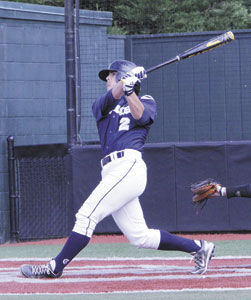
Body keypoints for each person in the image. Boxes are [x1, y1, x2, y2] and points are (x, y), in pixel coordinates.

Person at [20, 59, 215, 278]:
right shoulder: (103, 106)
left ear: (122, 75)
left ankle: (54, 267)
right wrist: (124, 83)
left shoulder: (146, 100)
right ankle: (200, 247)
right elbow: (112, 96)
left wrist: (130, 90)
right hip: (111, 171)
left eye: (111, 75)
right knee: (140, 236)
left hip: (129, 166)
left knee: (86, 215)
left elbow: (141, 116)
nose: (107, 79)